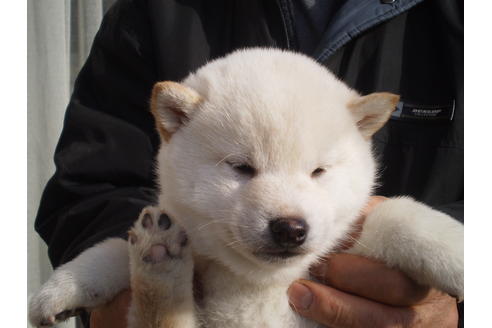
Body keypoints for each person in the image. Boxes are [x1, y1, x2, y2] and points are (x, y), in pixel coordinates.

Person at [34, 0, 463, 327]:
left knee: (391, 222)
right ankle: (162, 296)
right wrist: (96, 283)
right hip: (194, 293)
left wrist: (461, 305)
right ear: (176, 121)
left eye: (317, 172)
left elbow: (409, 230)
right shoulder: (156, 12)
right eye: (241, 167)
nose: (288, 217)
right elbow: (91, 187)